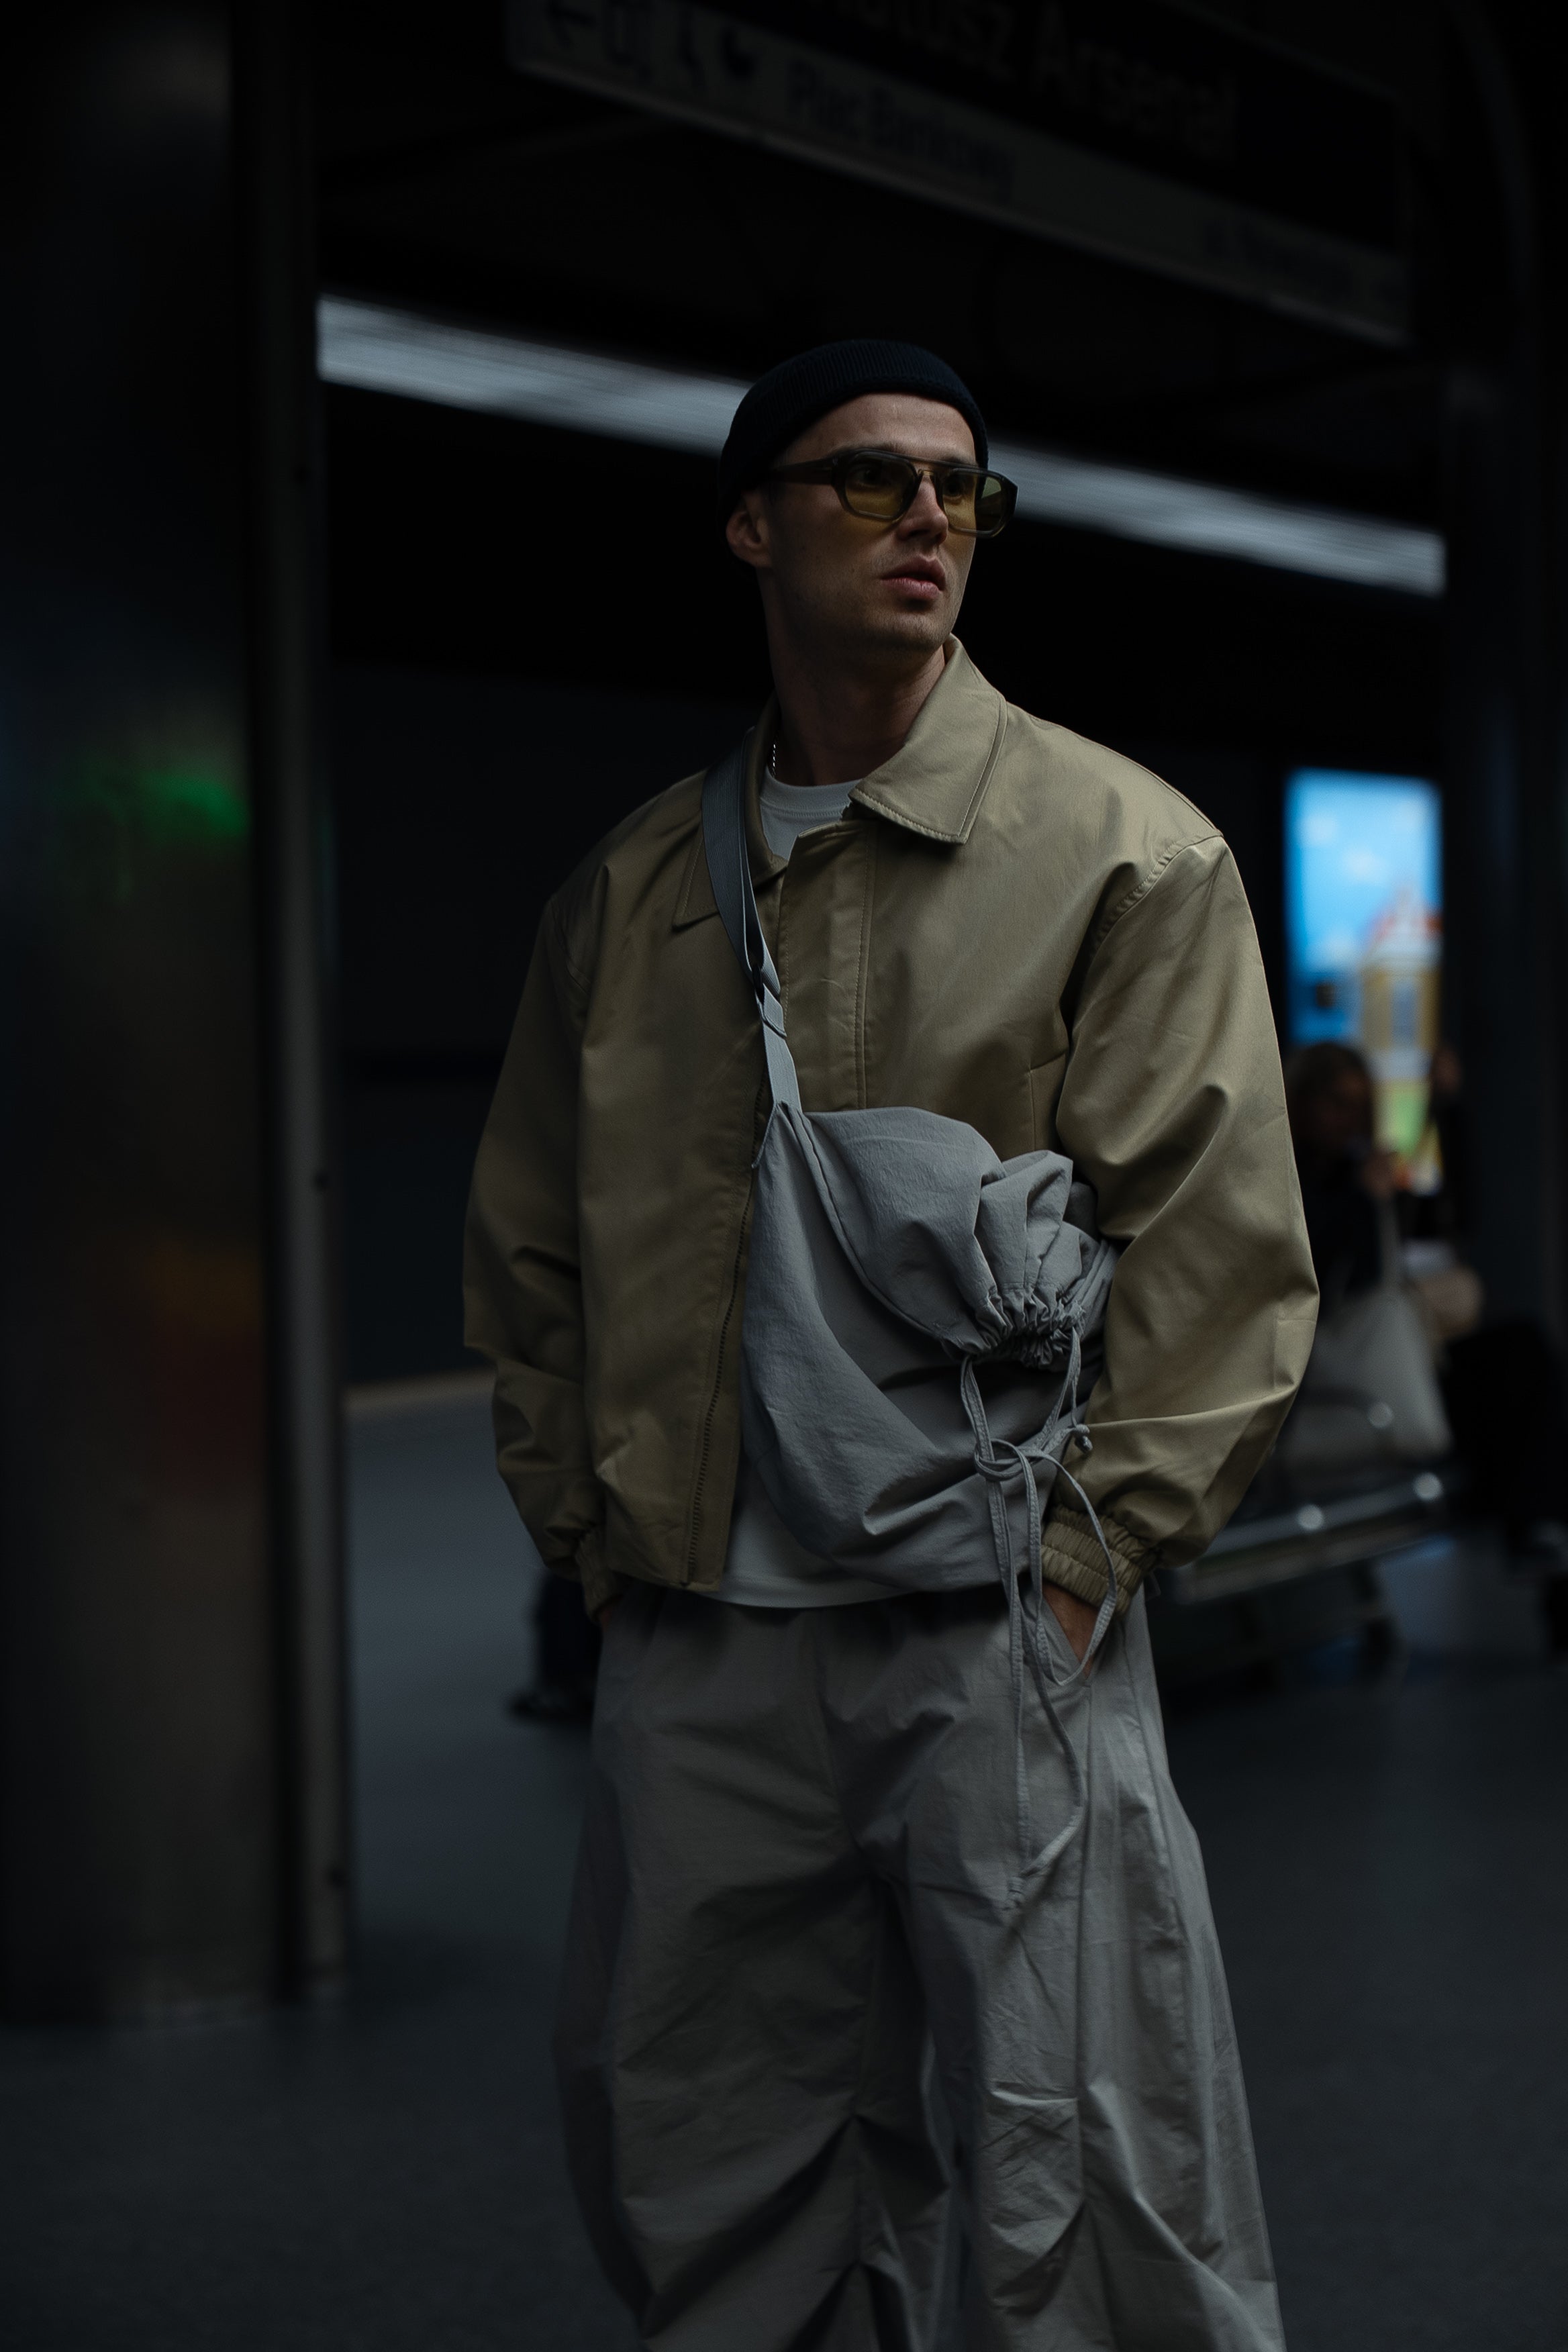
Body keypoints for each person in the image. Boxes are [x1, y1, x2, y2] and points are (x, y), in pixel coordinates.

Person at [465, 341, 1318, 2348]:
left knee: (1087, 2168)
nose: (929, 514)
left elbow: (1217, 1251)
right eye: (869, 480)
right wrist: (598, 1544)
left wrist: (1090, 1563)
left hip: (1002, 1624)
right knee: (708, 2156)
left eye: (961, 489)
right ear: (751, 528)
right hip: (707, 1634)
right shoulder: (634, 897)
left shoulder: (1123, 852)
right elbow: (532, 1248)